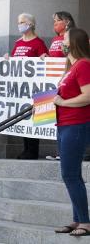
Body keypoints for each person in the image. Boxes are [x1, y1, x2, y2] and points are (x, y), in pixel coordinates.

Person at [53, 28, 90, 237]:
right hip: (65, 125)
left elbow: (88, 96)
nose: (61, 41)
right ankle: (78, 219)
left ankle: (85, 221)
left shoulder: (84, 64)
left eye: (64, 39)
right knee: (72, 175)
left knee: (70, 174)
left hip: (77, 125)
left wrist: (63, 102)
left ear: (74, 42)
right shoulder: (71, 67)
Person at [7, 13, 49, 160]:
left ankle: (32, 150)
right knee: (23, 117)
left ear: (30, 24)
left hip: (34, 88)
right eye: (19, 22)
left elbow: (45, 62)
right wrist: (8, 59)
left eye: (22, 22)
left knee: (32, 117)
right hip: (20, 88)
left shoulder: (38, 43)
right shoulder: (18, 43)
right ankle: (26, 149)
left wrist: (44, 58)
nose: (20, 24)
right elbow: (13, 61)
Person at [43, 11, 75, 161]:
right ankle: (60, 151)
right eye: (53, 21)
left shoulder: (74, 36)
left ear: (67, 21)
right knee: (59, 117)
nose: (55, 24)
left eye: (57, 20)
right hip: (59, 80)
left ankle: (68, 152)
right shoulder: (56, 39)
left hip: (71, 82)